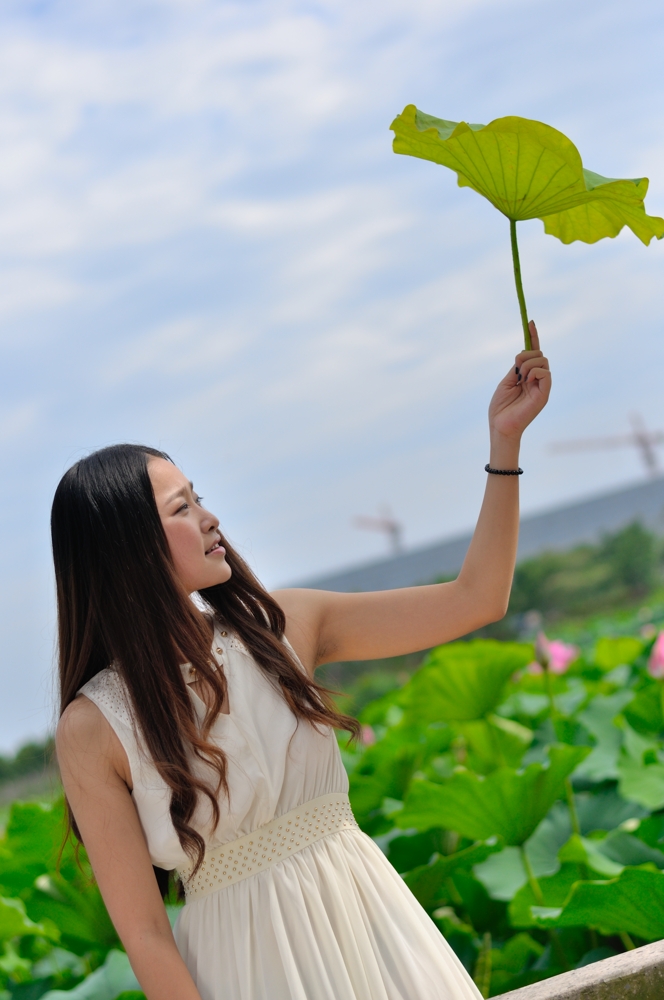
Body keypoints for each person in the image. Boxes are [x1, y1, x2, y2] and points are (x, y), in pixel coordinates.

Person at [55, 322, 550, 1000]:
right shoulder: (95, 727)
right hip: (245, 972)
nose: (209, 517)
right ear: (129, 548)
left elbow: (476, 599)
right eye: (182, 506)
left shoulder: (282, 626)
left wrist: (505, 444)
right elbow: (143, 933)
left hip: (372, 927)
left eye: (198, 496)